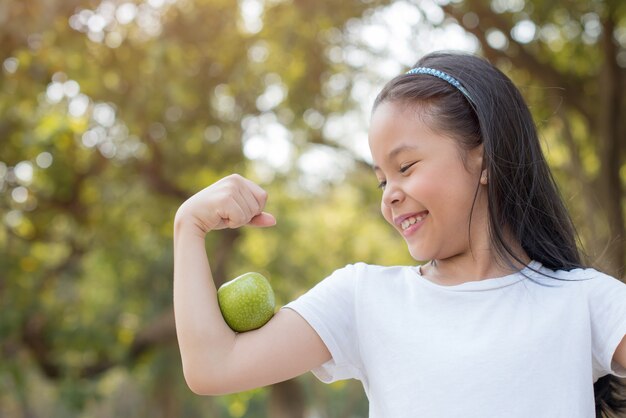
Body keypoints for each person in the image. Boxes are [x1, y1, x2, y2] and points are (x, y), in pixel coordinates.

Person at [173, 51, 626, 417]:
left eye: (405, 167)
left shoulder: (583, 302)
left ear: (485, 160)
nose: (389, 195)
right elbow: (214, 366)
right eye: (381, 180)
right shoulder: (362, 298)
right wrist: (188, 228)